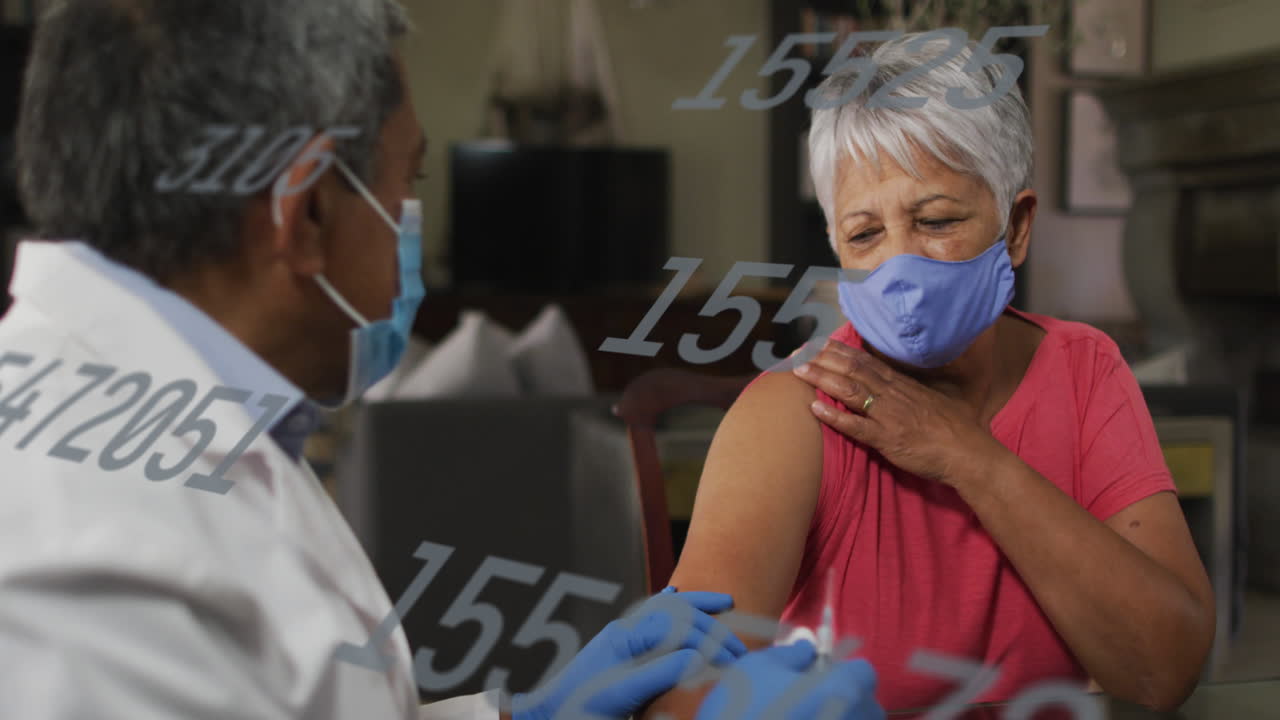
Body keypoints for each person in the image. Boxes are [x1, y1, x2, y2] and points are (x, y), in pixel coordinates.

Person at [0, 1, 884, 719]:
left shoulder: (210, 417)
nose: (407, 225)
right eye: (405, 186)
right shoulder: (76, 543)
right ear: (303, 214)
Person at [644, 33, 1215, 718]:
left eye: (937, 220)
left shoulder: (1083, 367)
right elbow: (678, 698)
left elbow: (1164, 669)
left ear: (1017, 226)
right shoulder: (790, 417)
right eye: (864, 236)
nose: (900, 267)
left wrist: (967, 456)